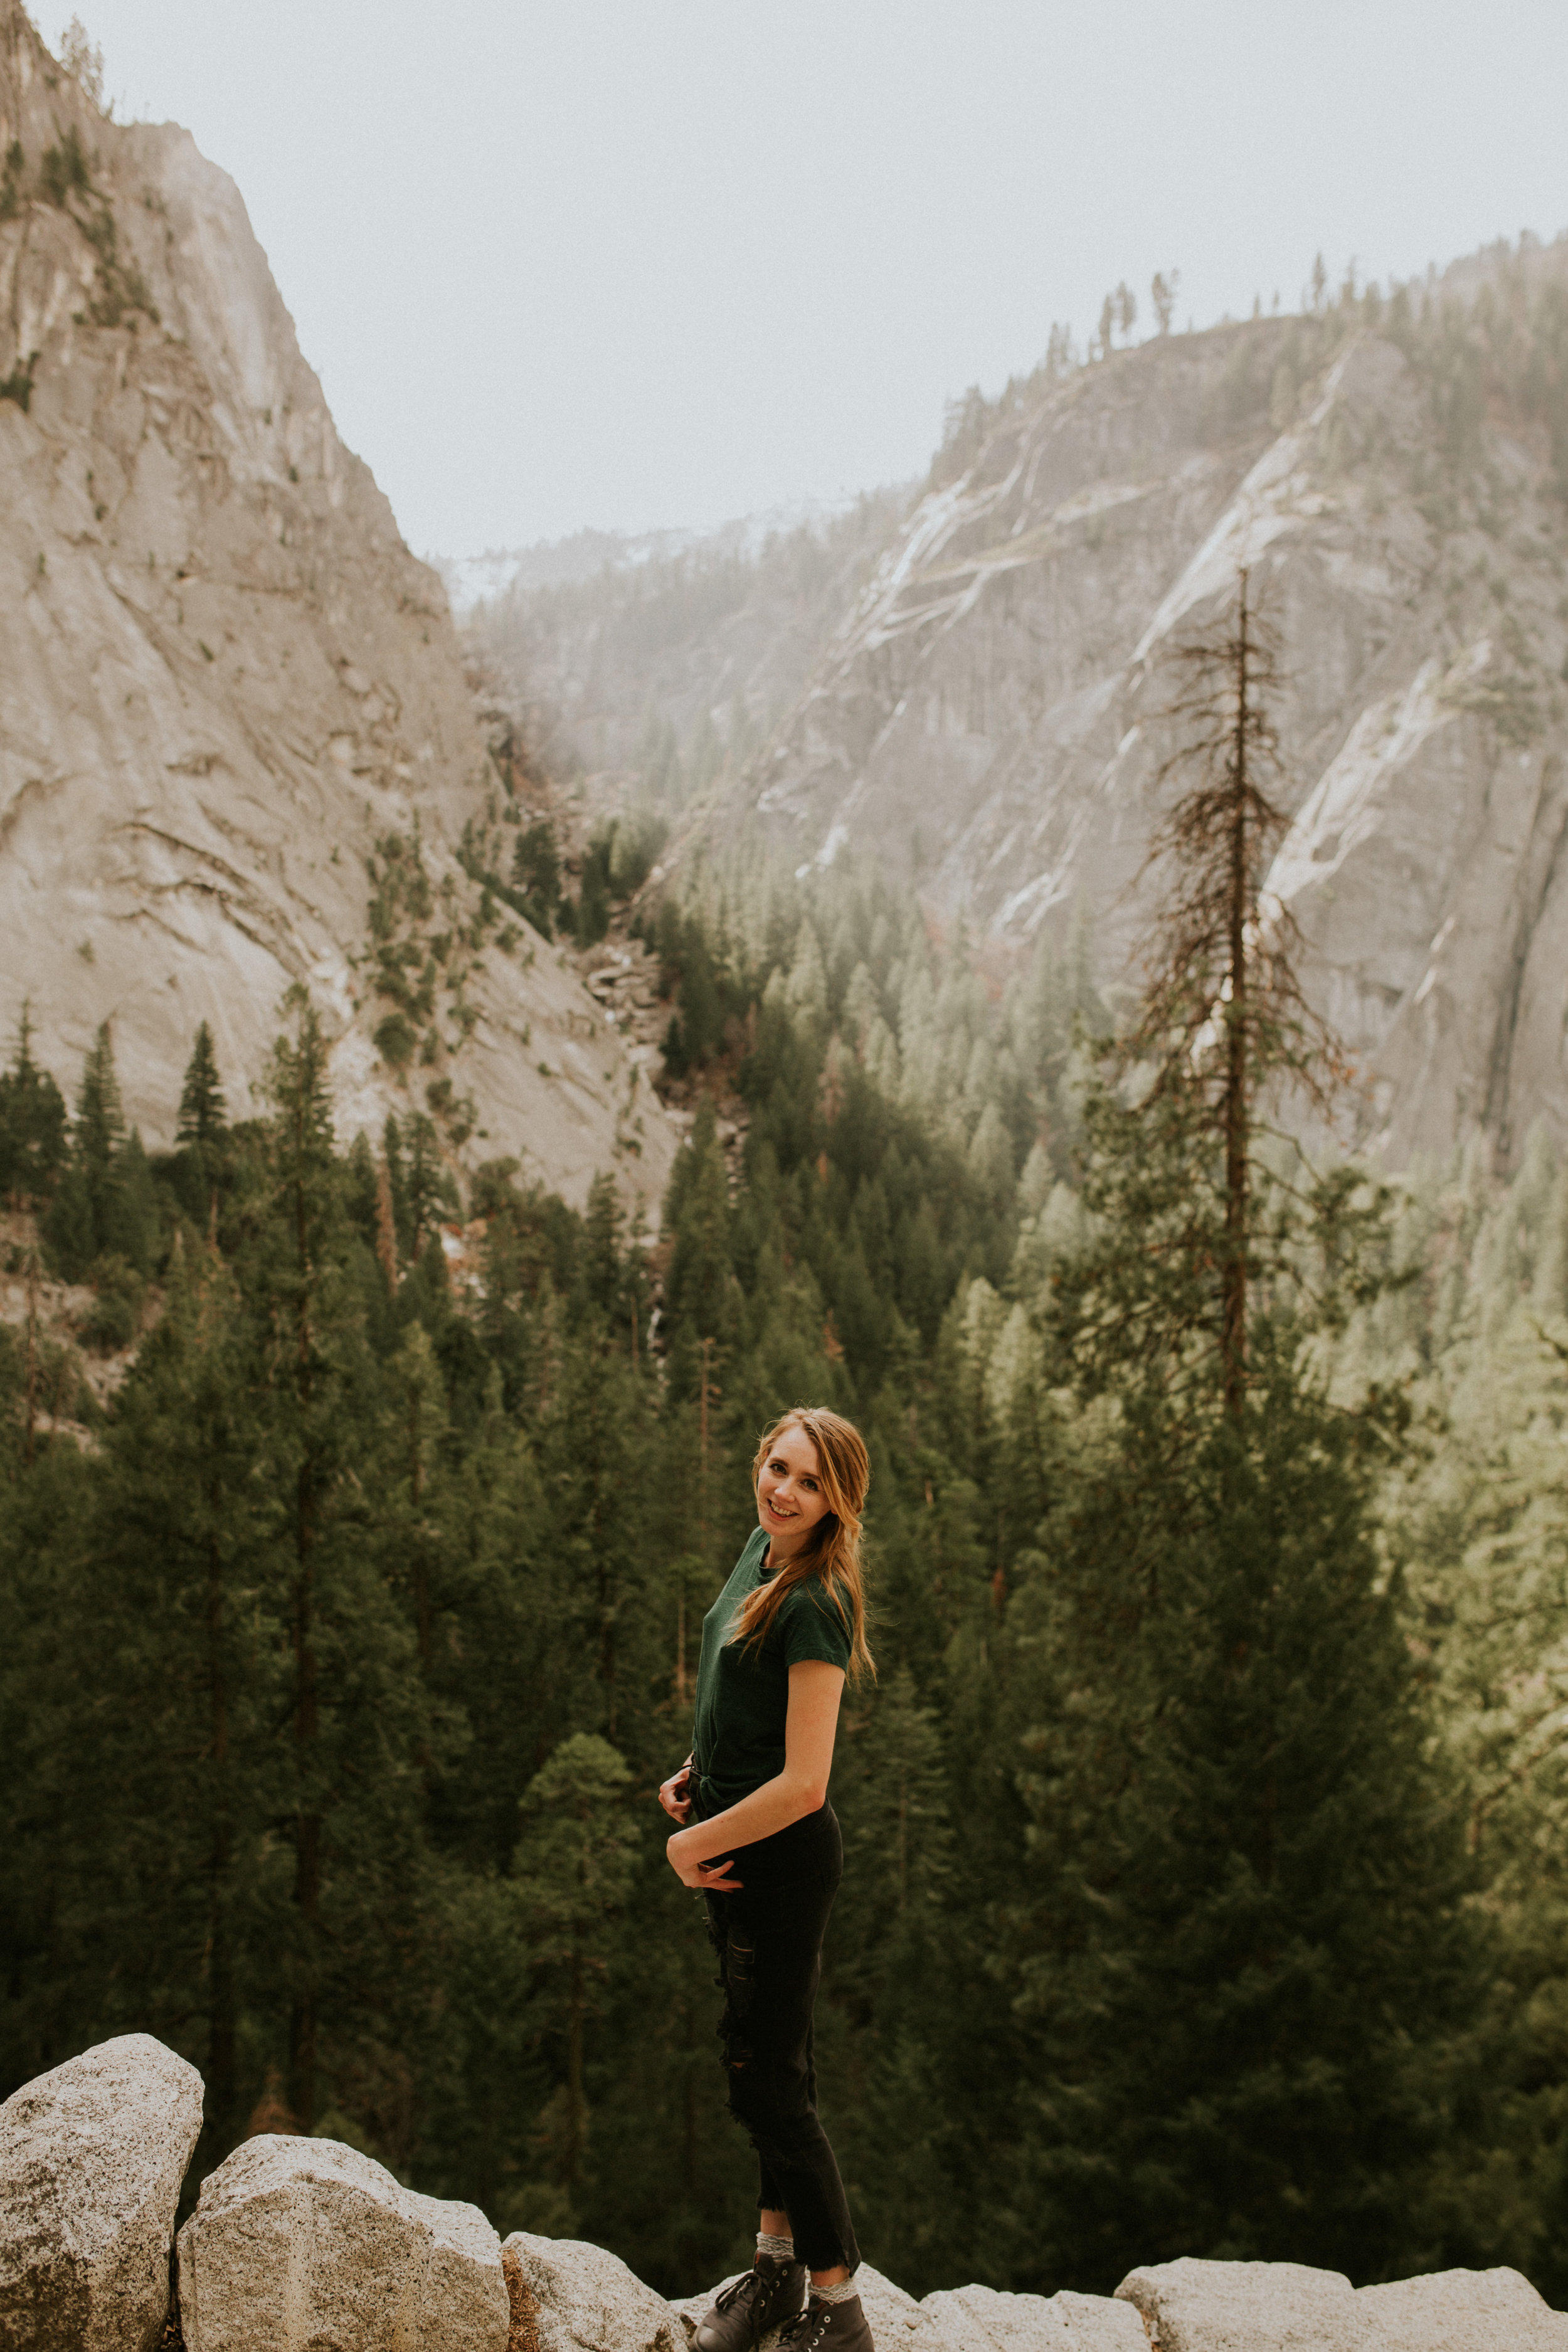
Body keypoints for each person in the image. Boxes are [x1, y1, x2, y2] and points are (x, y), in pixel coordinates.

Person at [660, 1407, 876, 2352]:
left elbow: (805, 1781)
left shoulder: (815, 1600)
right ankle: (777, 2270)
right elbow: (731, 1683)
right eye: (777, 1467)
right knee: (765, 2065)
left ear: (838, 1502)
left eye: (808, 1481)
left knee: (772, 2084)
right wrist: (695, 1770)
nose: (782, 1490)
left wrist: (691, 1840)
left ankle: (840, 2310)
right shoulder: (763, 1549)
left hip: (779, 1864)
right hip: (738, 1848)